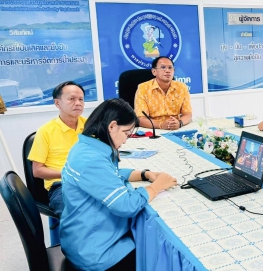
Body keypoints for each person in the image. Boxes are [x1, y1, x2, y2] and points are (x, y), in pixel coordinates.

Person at [59, 98, 177, 270]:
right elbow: (126, 206)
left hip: (83, 237)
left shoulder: (86, 148)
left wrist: (144, 174)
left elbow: (109, 175)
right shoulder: (91, 160)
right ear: (112, 126)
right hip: (95, 252)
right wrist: (156, 186)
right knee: (158, 252)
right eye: (127, 133)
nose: (126, 140)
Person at [27, 81, 86, 217]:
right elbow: (37, 171)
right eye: (72, 99)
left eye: (81, 99)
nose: (78, 103)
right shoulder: (45, 131)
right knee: (77, 217)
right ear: (57, 103)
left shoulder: (91, 126)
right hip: (62, 185)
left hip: (91, 180)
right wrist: (69, 174)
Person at [134, 56, 192, 131]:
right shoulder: (143, 88)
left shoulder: (182, 87)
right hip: (153, 129)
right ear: (154, 72)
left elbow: (188, 114)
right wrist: (161, 125)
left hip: (176, 128)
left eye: (170, 68)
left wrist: (179, 122)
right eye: (163, 67)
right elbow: (140, 118)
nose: (167, 71)